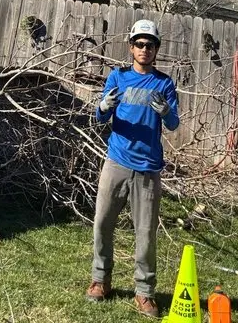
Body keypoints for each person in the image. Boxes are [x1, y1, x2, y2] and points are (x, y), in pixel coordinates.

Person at [86, 19, 180, 318]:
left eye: (149, 45)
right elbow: (100, 119)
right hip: (116, 162)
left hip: (148, 169)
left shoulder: (164, 83)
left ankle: (145, 292)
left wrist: (166, 112)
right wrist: (103, 107)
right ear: (131, 48)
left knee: (146, 234)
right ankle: (101, 280)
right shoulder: (118, 77)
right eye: (139, 44)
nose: (144, 49)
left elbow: (174, 123)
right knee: (102, 223)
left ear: (156, 50)